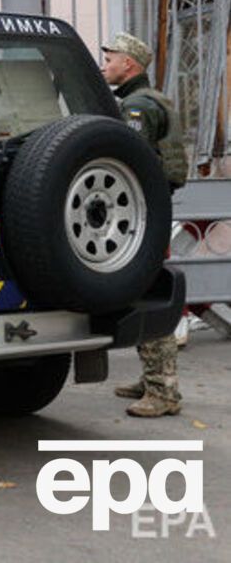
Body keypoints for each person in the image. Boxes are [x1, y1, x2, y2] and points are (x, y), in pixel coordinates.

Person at [100, 32, 189, 417]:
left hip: (145, 214)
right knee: (144, 288)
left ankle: (163, 390)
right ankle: (152, 378)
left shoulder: (137, 107)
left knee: (147, 292)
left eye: (110, 59)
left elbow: (128, 159)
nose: (104, 65)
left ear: (129, 64)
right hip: (152, 210)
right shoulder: (150, 99)